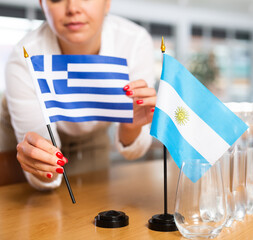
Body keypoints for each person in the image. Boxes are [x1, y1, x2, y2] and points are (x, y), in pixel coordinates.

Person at [1, 0, 156, 190]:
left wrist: (131, 126)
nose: (73, 8)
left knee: (91, 198)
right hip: (21, 133)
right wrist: (42, 167)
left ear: (107, 3)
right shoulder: (24, 57)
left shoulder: (134, 42)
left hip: (93, 134)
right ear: (42, 4)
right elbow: (44, 176)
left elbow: (134, 150)